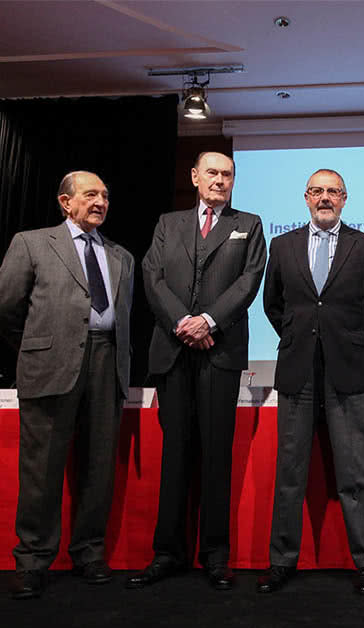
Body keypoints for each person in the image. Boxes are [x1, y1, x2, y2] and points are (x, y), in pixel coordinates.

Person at [0, 171, 134, 599]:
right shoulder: (33, 243)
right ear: (64, 202)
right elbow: (2, 306)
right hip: (50, 365)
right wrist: (37, 345)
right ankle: (32, 559)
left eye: (105, 196)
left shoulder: (121, 256)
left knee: (98, 467)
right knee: (41, 470)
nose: (100, 202)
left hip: (107, 363)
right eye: (91, 195)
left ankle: (89, 552)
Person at [127, 152, 266, 591]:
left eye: (228, 174)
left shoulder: (251, 222)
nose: (220, 180)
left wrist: (207, 321)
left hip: (219, 352)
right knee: (175, 454)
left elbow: (249, 281)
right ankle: (167, 552)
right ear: (195, 177)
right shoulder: (168, 223)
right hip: (173, 350)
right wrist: (181, 323)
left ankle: (215, 554)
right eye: (213, 173)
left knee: (215, 454)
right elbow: (152, 276)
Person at [259, 169, 364, 595]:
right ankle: (281, 561)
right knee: (290, 473)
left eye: (333, 191)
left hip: (346, 370)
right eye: (317, 191)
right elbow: (272, 305)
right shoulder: (282, 245)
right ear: (306, 198)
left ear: (345, 199)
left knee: (357, 473)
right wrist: (299, 338)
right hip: (297, 370)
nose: (325, 198)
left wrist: (349, 341)